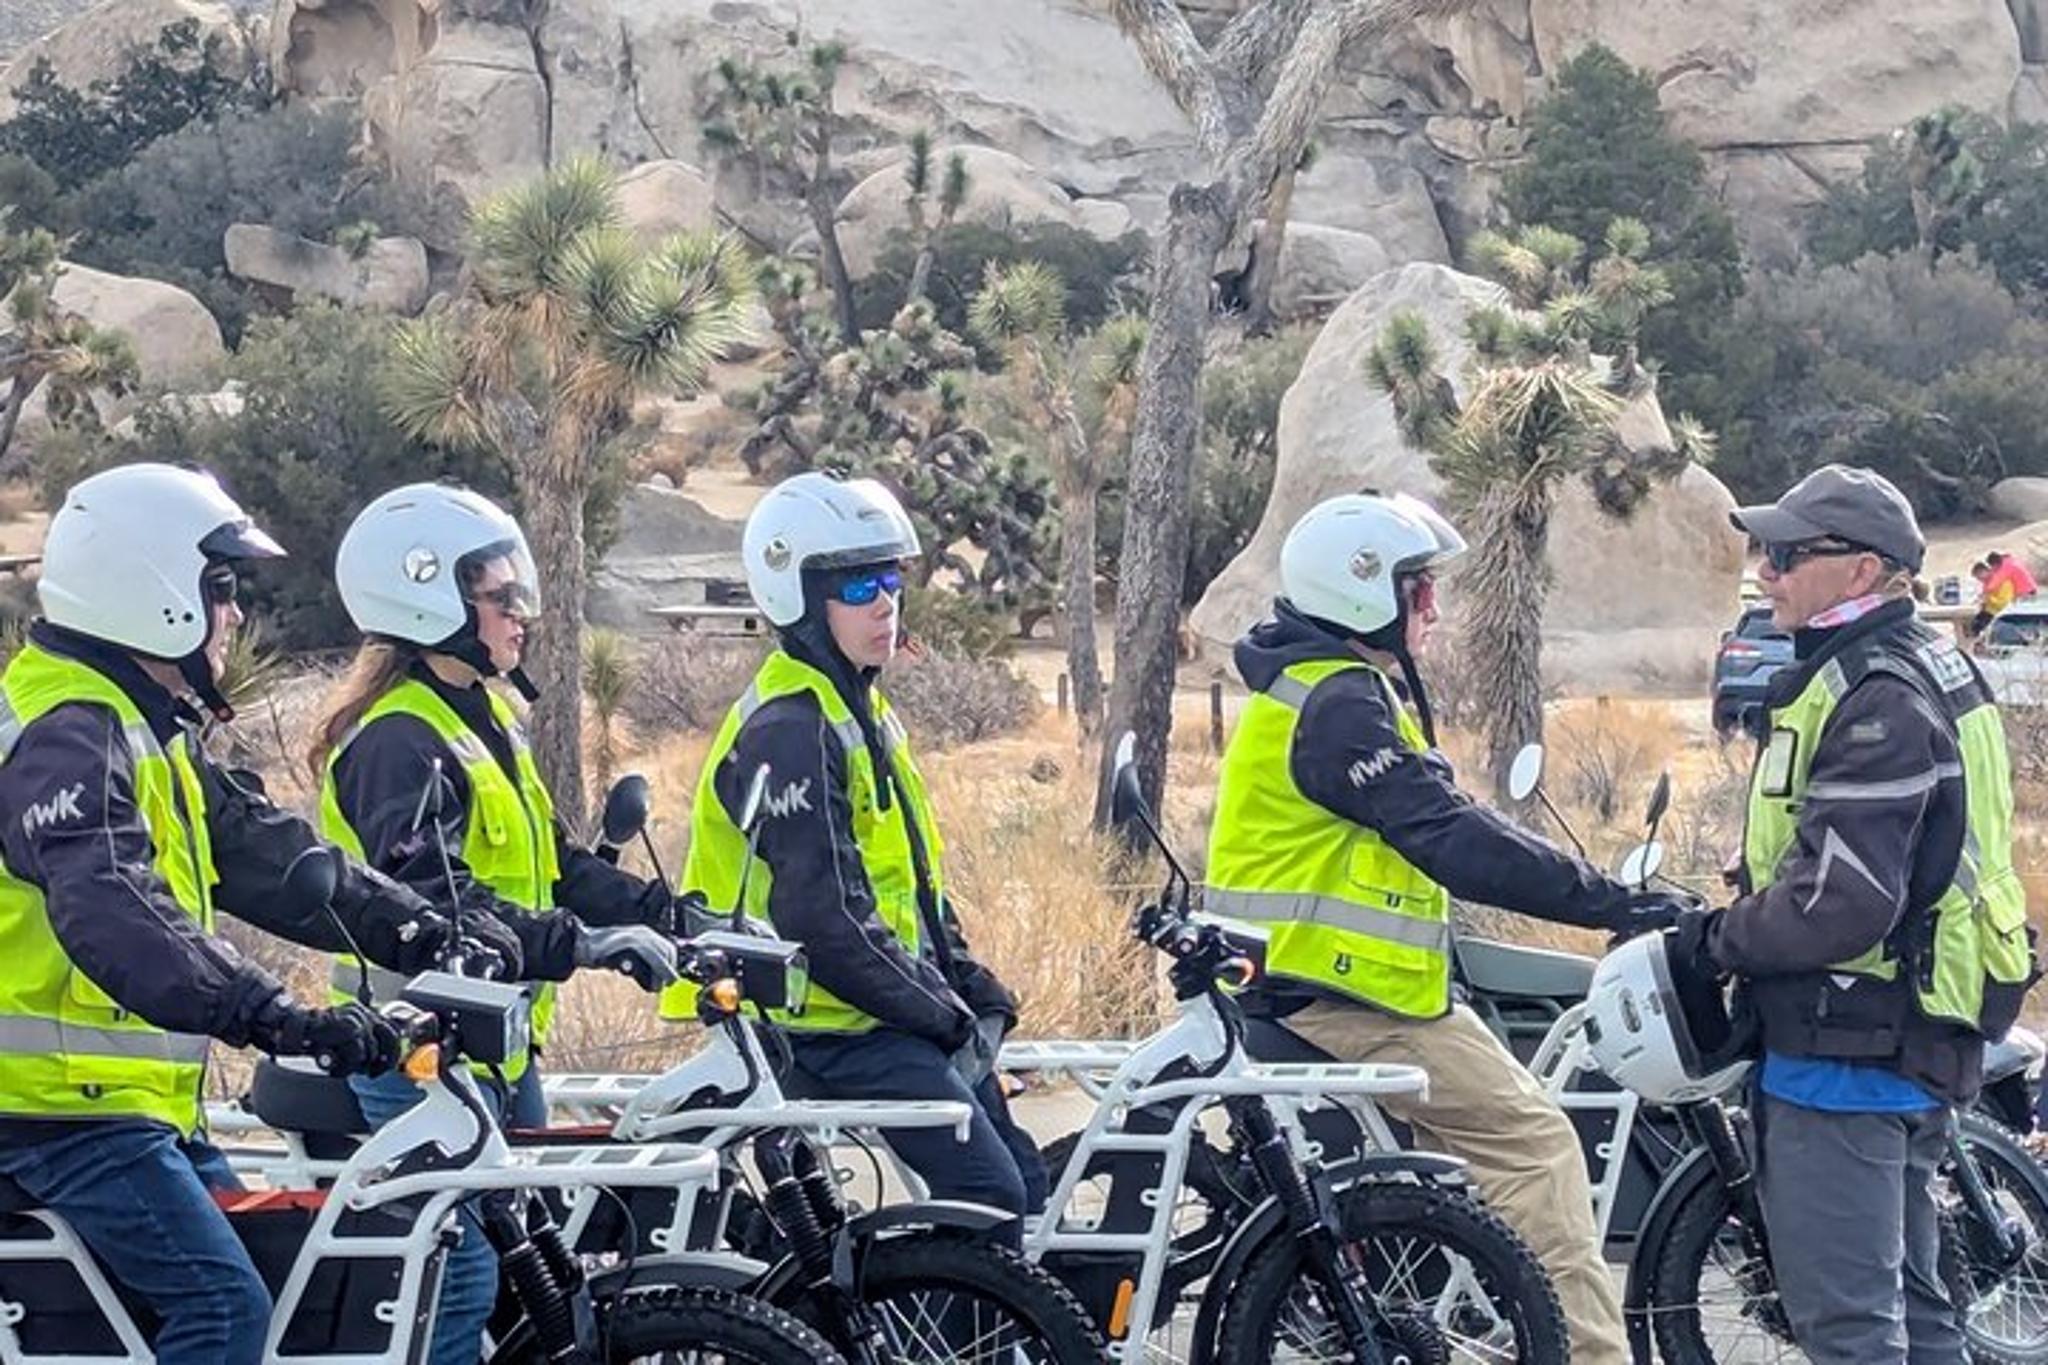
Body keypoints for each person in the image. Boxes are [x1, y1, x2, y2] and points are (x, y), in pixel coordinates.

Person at [0, 463, 476, 1365]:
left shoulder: (137, 720)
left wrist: (418, 925)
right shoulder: (70, 731)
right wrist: (277, 1016)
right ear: (149, 588)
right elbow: (113, 905)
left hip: (123, 1113)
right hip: (52, 1119)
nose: (233, 614)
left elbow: (268, 854)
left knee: (288, 1286)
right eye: (219, 587)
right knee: (224, 1307)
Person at [1201, 491, 1690, 1365]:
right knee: (1536, 1143)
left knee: (1465, 1167)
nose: (1433, 607)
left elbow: (1439, 825)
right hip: (1344, 995)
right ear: (1361, 594)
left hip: (1323, 981)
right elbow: (1452, 836)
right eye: (1417, 589)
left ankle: (1477, 1315)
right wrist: (1609, 901)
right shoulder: (1340, 704)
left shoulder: (1316, 683)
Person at [311, 481, 685, 1365]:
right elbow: (442, 900)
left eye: (523, 594)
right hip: (410, 1052)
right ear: (426, 596)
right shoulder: (397, 739)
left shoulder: (484, 724)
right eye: (501, 595)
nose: (522, 615)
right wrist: (581, 945)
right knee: (468, 1273)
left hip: (490, 1045)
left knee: (539, 1273)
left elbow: (559, 867)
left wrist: (661, 914)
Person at [1671, 464, 2036, 1365]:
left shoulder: (1874, 695)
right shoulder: (1925, 666)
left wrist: (1719, 938)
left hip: (1852, 1044)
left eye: (1790, 553)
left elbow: (1844, 905)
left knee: (1850, 1329)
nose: (1767, 569)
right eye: (1765, 549)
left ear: (1864, 570)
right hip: (1913, 1032)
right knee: (1916, 1313)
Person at [660, 471, 1045, 1224]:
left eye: (893, 579)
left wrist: (965, 979)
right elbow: (823, 918)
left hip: (868, 1012)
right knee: (991, 1200)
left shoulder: (856, 709)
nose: (885, 602)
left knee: (1025, 1184)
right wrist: (941, 1013)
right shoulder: (791, 725)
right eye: (858, 584)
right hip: (820, 1024)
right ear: (798, 598)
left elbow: (908, 888)